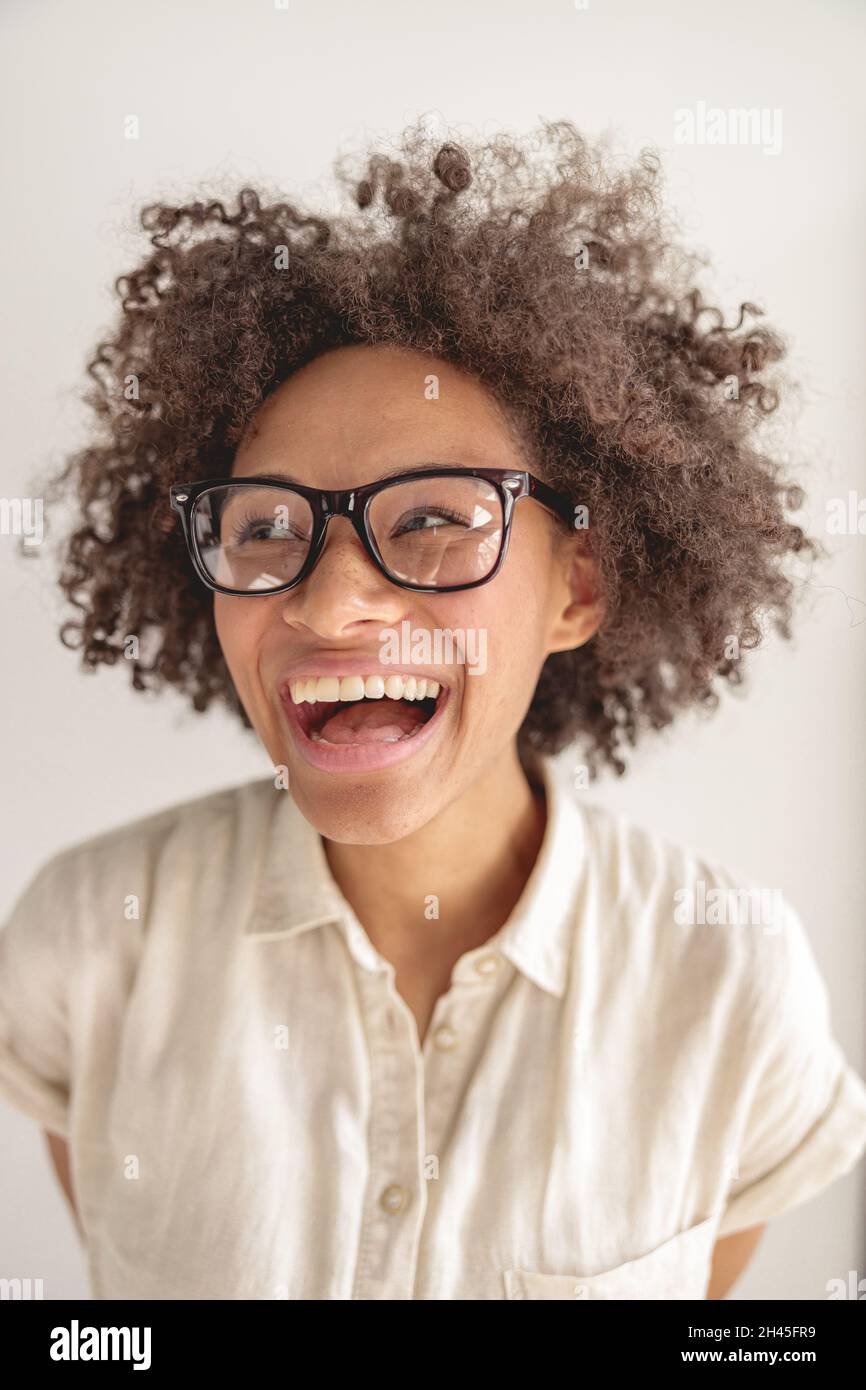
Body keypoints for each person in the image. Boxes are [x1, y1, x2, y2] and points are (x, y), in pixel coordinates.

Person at [2, 121, 865, 1300]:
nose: (334, 598)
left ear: (579, 585)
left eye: (428, 519)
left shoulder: (727, 984)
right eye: (264, 528)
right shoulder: (88, 940)